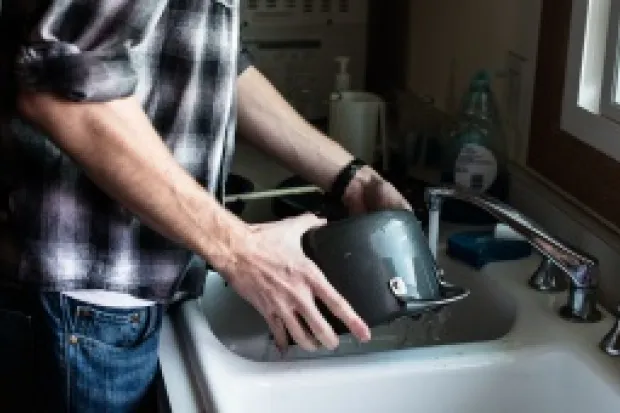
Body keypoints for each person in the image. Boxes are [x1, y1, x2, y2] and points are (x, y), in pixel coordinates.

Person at [0, 1, 411, 411]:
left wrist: (354, 181)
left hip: (126, 290)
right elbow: (57, 82)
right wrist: (241, 249)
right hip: (79, 299)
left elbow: (214, 60)